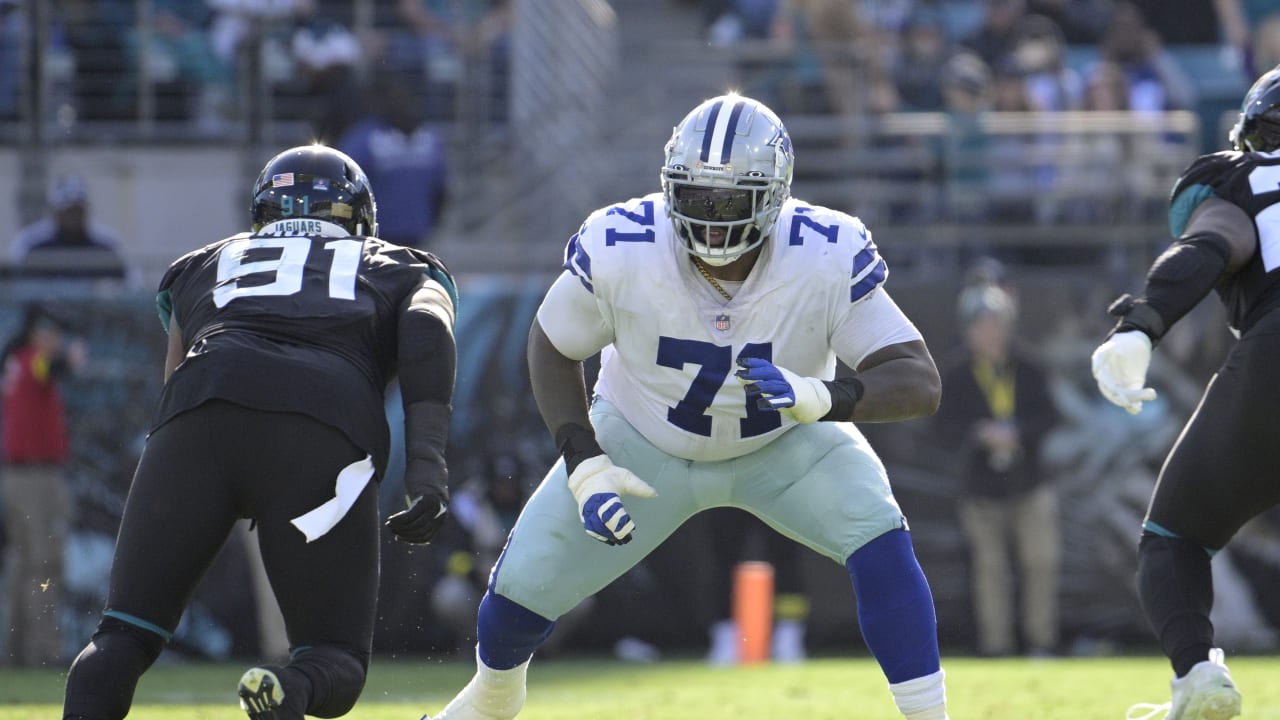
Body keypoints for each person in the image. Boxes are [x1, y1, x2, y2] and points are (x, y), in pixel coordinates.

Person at [421, 93, 951, 720]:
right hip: (642, 439)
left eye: (730, 201)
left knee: (879, 537)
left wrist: (823, 396)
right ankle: (488, 705)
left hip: (784, 440)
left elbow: (918, 379)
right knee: (513, 601)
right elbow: (552, 344)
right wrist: (585, 461)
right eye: (695, 198)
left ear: (775, 196)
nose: (711, 221)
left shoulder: (824, 252)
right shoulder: (625, 245)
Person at [60, 144, 459, 720]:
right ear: (359, 215)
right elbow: (427, 327)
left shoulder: (201, 262)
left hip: (196, 417)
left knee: (121, 637)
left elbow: (174, 379)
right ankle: (285, 691)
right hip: (322, 423)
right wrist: (427, 463)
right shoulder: (399, 263)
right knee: (335, 662)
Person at [1086, 64, 1280, 720]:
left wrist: (1142, 325)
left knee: (1174, 536)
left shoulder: (1241, 183)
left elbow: (1209, 243)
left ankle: (1198, 674)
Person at [932, 279, 1061, 658]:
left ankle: (1041, 643)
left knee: (1041, 563)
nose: (989, 333)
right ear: (968, 330)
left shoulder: (1031, 366)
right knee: (990, 571)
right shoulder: (955, 373)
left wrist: (1017, 433)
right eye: (981, 326)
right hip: (980, 489)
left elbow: (1050, 416)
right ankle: (997, 647)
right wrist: (980, 435)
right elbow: (941, 427)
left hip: (1030, 483)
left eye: (996, 324)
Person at [1, 303, 87, 667]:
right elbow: (52, 368)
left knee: (21, 565)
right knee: (44, 563)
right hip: (35, 479)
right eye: (51, 333)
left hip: (18, 476)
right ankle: (42, 652)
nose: (56, 340)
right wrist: (72, 358)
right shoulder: (32, 359)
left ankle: (13, 650)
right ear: (38, 333)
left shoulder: (15, 360)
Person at [10, 174, 139, 286]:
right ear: (55, 212)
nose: (74, 217)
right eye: (68, 211)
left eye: (78, 210)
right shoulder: (31, 243)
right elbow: (17, 286)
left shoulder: (108, 244)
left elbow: (130, 284)